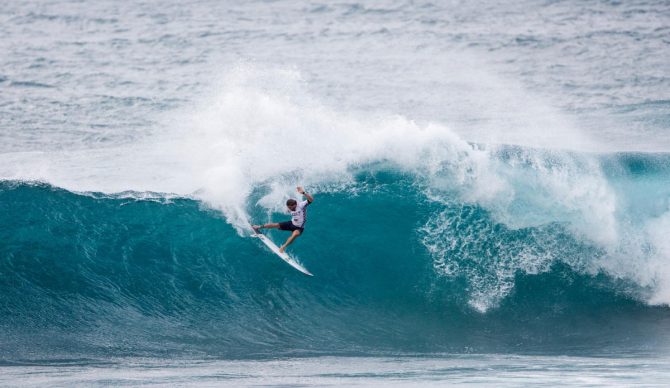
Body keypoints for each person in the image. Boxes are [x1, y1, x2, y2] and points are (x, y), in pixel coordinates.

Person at [253, 186, 314, 253]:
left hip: (299, 228)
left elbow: (311, 200)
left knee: (295, 234)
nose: (290, 209)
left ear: (295, 205)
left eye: (291, 207)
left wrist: (303, 193)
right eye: (289, 207)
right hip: (291, 223)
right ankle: (258, 227)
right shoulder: (289, 208)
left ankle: (283, 247)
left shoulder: (301, 205)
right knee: (275, 225)